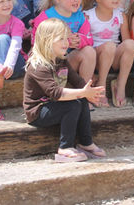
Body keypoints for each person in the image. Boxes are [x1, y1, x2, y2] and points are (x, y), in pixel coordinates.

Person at [24, 18, 106, 162]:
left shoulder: (61, 60)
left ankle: (86, 143)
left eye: (66, 38)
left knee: (80, 99)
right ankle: (65, 148)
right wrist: (82, 93)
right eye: (61, 39)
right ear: (47, 41)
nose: (66, 43)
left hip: (54, 105)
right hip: (38, 111)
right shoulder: (38, 65)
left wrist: (90, 93)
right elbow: (55, 93)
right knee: (73, 103)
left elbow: (77, 80)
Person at [82, 0, 134, 107]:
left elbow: (126, 41)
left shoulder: (120, 15)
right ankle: (101, 85)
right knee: (109, 46)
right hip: (96, 60)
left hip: (114, 59)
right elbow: (85, 43)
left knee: (130, 44)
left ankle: (120, 85)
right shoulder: (88, 16)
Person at [32, 0, 96, 84]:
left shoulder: (80, 17)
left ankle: (85, 92)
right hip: (49, 63)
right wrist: (64, 41)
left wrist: (80, 40)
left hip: (69, 61)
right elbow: (36, 44)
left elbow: (89, 39)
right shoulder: (45, 17)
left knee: (89, 51)